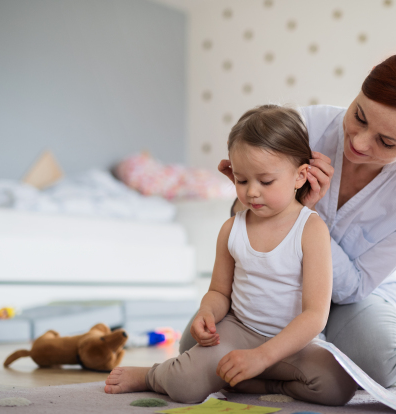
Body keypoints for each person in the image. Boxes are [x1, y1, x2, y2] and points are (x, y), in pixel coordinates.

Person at [179, 49, 396, 387]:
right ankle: (305, 356)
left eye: (386, 142)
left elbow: (354, 287)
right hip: (275, 282)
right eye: (359, 116)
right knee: (193, 348)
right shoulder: (302, 128)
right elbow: (242, 219)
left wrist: (305, 215)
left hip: (354, 297)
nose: (358, 142)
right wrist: (252, 189)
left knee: (376, 362)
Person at [104, 105, 358, 405]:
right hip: (238, 333)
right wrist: (207, 313)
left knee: (339, 385)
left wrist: (263, 357)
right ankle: (151, 375)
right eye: (241, 180)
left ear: (300, 176)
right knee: (184, 384)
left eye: (265, 181)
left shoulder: (311, 229)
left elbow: (315, 315)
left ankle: (257, 382)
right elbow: (218, 291)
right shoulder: (231, 229)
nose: (252, 192)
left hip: (291, 344)